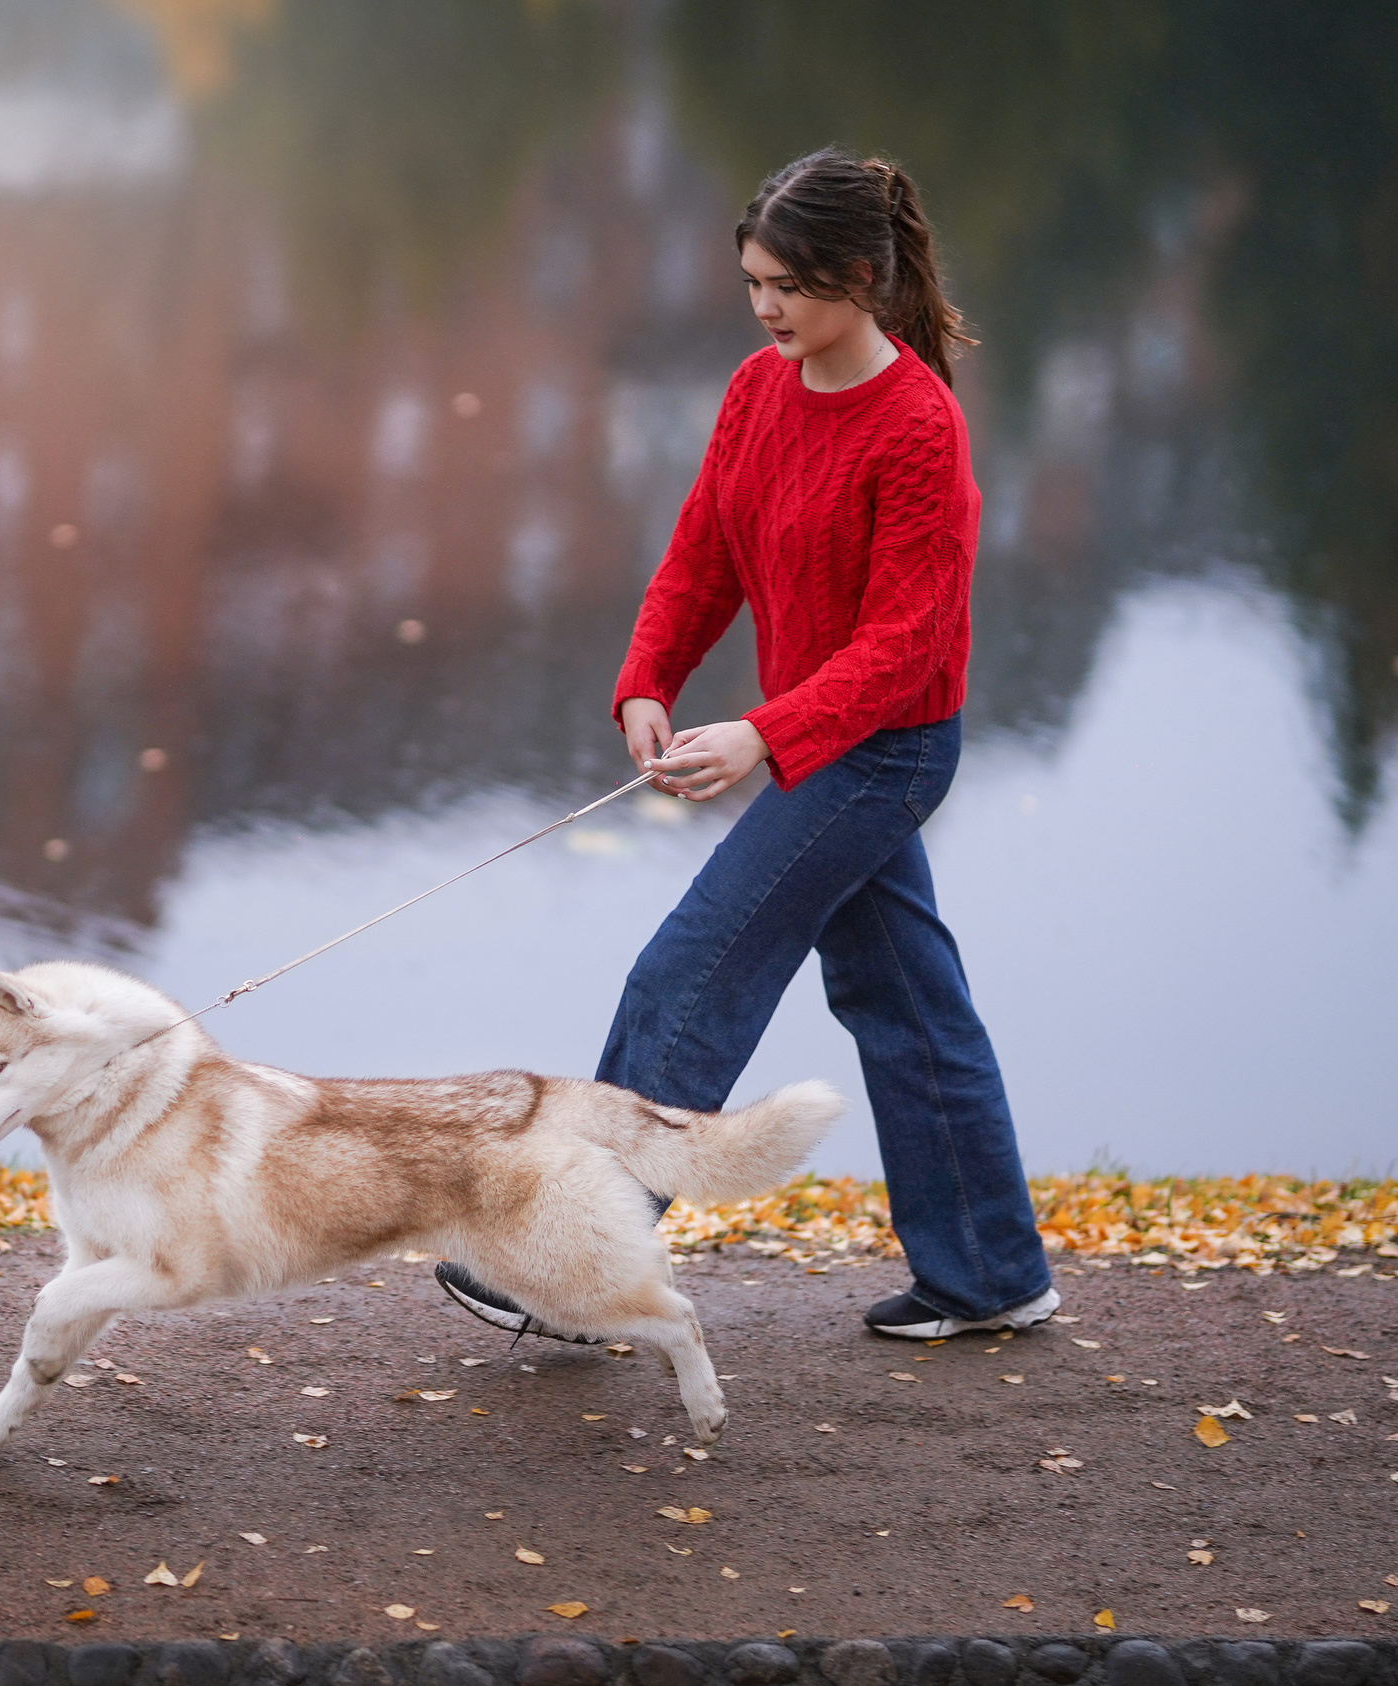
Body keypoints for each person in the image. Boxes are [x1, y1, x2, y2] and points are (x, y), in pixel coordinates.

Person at [437, 146, 1058, 1342]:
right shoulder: (756, 390)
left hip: (884, 751)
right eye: (751, 282)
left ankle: (567, 1269)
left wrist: (768, 737)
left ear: (861, 279)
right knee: (908, 1006)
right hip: (821, 745)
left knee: (692, 974)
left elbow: (908, 640)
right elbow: (703, 551)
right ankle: (989, 1273)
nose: (765, 306)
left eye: (787, 284)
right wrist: (646, 681)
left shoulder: (919, 429)